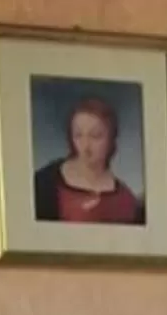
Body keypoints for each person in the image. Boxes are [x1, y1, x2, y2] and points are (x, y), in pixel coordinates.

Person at [34, 94, 142, 223]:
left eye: (95, 136)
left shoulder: (126, 200)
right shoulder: (44, 182)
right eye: (78, 135)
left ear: (111, 139)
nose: (85, 146)